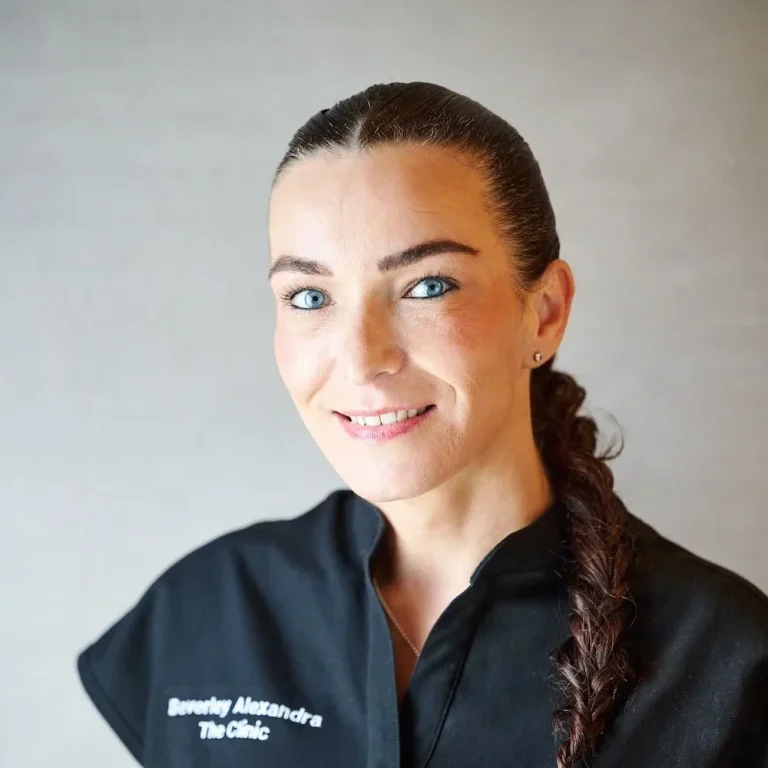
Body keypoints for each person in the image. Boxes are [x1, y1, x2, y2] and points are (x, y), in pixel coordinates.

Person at [76, 81, 768, 768]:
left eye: (427, 286)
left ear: (545, 312)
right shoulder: (203, 610)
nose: (361, 359)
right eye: (309, 296)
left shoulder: (726, 661)